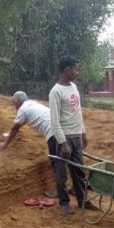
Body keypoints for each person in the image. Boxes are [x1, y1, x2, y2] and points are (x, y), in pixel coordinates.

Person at [48, 56, 90, 214]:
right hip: (64, 138)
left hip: (76, 136)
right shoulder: (55, 92)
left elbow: (77, 112)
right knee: (62, 173)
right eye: (76, 69)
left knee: (79, 171)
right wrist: (63, 143)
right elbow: (54, 121)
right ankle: (63, 203)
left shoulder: (74, 87)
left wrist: (83, 132)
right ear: (67, 70)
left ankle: (83, 201)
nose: (78, 73)